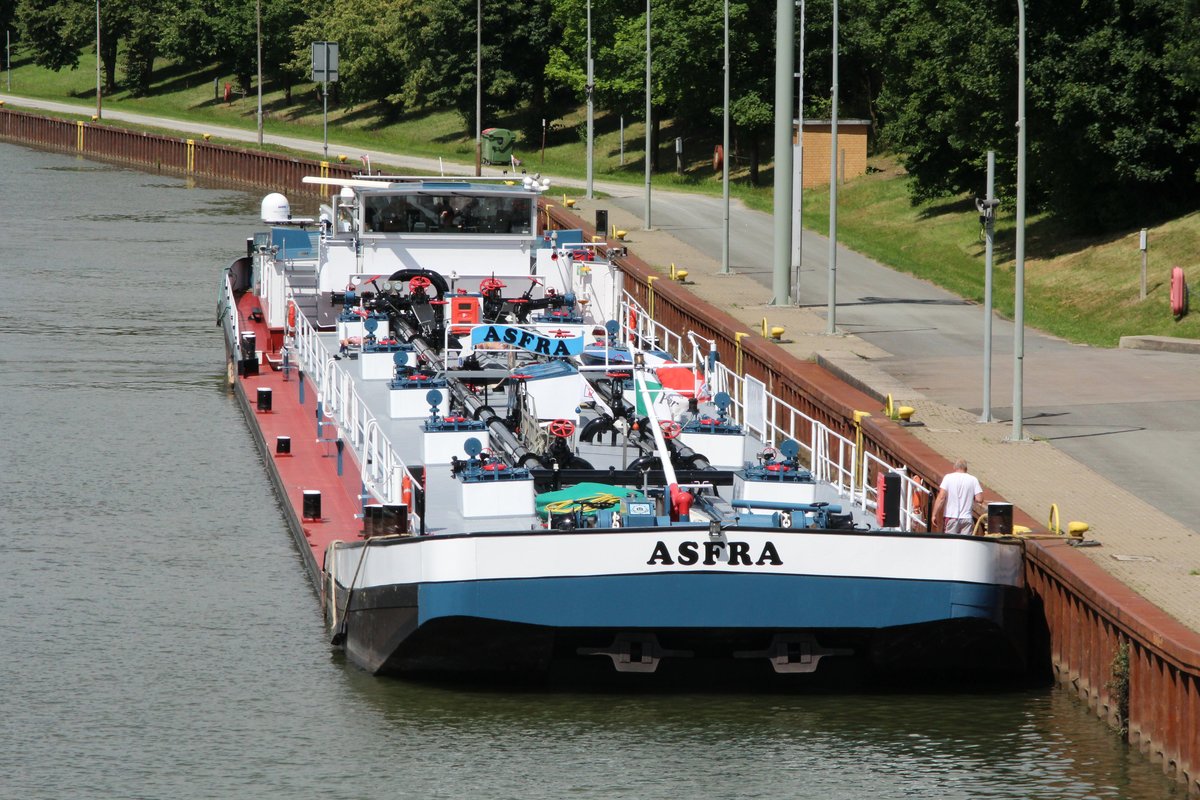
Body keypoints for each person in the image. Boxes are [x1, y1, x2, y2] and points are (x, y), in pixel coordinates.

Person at [932, 458, 983, 534]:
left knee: (950, 542)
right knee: (965, 543)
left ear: (954, 467)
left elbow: (941, 497)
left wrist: (934, 514)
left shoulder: (948, 478)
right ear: (966, 468)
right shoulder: (973, 480)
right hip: (967, 518)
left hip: (951, 517)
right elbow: (979, 499)